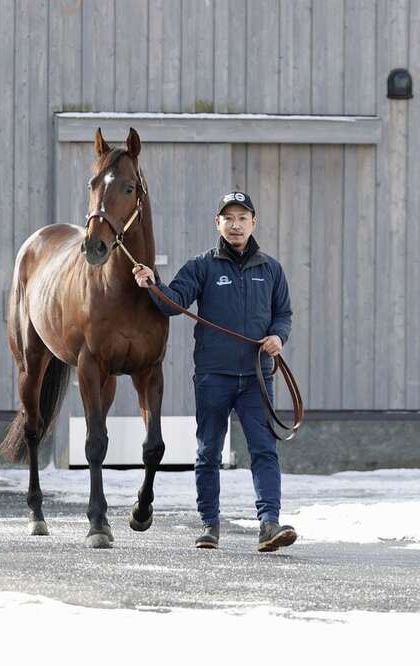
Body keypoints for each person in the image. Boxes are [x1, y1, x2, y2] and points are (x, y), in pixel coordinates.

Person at [131, 191, 296, 552]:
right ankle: (209, 525)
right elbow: (173, 305)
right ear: (217, 223)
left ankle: (269, 524)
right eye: (229, 218)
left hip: (257, 377)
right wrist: (152, 284)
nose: (235, 225)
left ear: (253, 222)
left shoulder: (271, 269)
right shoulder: (202, 266)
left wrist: (277, 337)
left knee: (264, 449)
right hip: (213, 376)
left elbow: (283, 313)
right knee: (208, 452)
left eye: (242, 218)